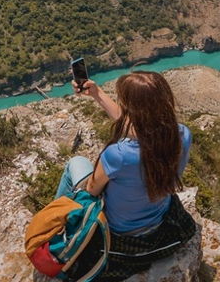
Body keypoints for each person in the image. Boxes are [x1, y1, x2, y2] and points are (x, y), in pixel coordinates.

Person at [55, 70, 192, 235]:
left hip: (119, 229)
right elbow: (137, 125)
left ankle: (57, 222)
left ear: (131, 111)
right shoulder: (181, 135)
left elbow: (92, 190)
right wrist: (96, 93)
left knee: (76, 162)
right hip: (157, 219)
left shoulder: (119, 155)